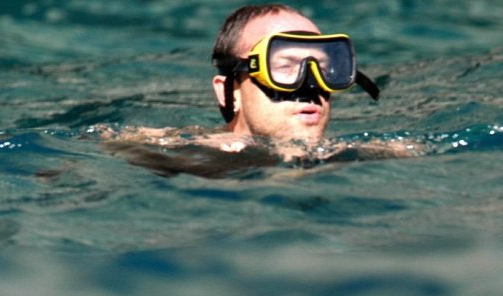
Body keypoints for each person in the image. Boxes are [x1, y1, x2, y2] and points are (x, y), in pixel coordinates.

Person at [101, 4, 418, 177]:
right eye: (284, 67)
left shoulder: (375, 156)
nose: (311, 85)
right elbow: (110, 141)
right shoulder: (177, 153)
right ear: (229, 91)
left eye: (324, 68)